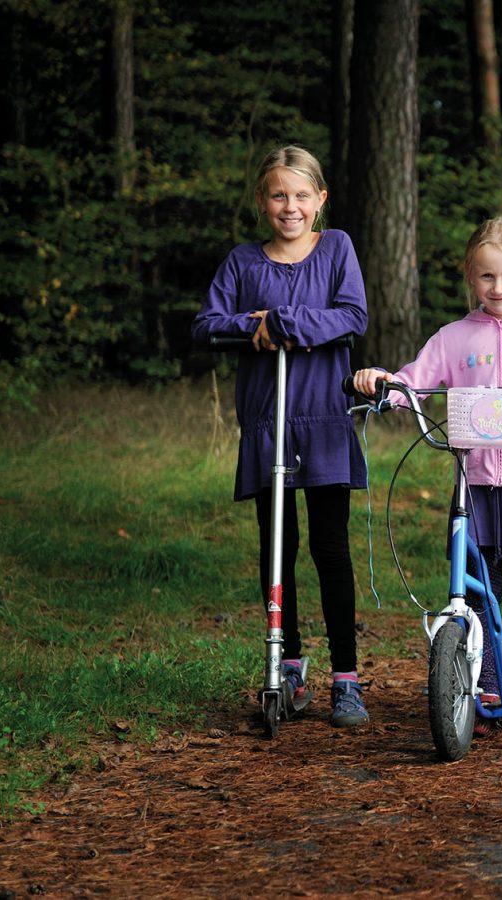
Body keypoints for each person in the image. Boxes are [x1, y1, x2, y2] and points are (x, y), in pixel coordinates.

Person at [351, 216, 502, 746]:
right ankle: (482, 691)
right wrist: (383, 383)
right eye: (487, 278)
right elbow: (411, 384)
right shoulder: (453, 338)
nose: (498, 288)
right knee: (479, 594)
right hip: (475, 481)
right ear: (472, 277)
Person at [191, 145, 370, 727]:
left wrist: (284, 322)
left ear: (319, 200)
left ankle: (346, 676)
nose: (289, 207)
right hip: (270, 421)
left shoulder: (337, 247)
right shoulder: (243, 262)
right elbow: (207, 323)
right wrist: (251, 324)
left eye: (300, 196)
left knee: (330, 547)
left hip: (323, 416)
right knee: (277, 548)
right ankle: (287, 665)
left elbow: (350, 316)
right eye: (277, 195)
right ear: (262, 201)